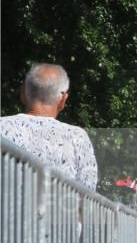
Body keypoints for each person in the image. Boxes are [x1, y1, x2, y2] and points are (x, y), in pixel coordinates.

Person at [0, 63, 97, 191]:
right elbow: (88, 192)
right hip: (63, 210)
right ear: (63, 99)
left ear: (23, 93)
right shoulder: (77, 137)